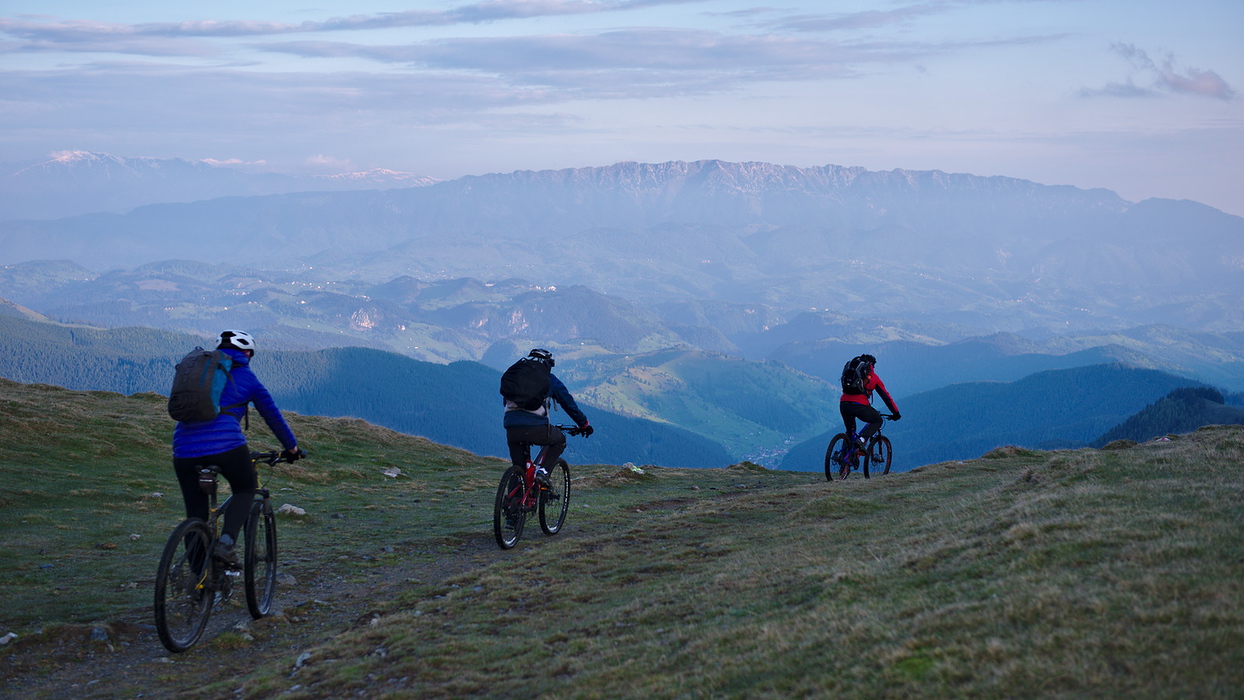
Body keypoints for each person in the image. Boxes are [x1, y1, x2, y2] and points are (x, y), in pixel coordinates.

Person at [171, 330, 302, 564]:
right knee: (245, 488)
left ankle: (197, 587)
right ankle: (226, 542)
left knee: (195, 515)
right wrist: (292, 449)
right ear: (246, 353)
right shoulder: (246, 376)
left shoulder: (201, 370)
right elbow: (272, 416)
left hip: (183, 449)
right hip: (226, 445)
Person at [503, 348, 592, 486]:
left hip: (512, 429)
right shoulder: (549, 379)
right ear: (548, 364)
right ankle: (543, 472)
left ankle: (510, 504)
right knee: (559, 440)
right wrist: (584, 424)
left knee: (518, 469)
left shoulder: (516, 379)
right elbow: (568, 404)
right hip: (536, 428)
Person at [839, 353, 901, 456]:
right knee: (877, 420)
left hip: (844, 404)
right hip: (859, 405)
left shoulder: (850, 371)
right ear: (872, 364)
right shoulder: (873, 377)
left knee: (850, 433)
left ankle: (843, 461)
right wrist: (896, 412)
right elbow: (886, 397)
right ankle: (862, 439)